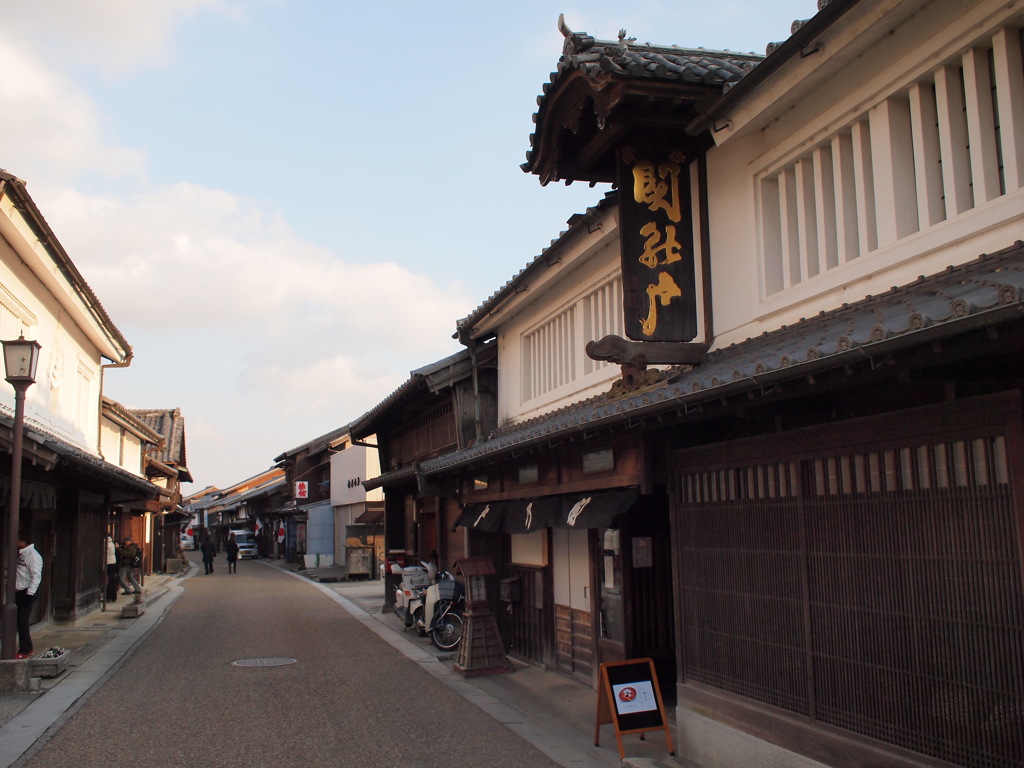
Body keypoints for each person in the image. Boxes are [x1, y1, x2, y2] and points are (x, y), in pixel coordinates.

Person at [15, 535, 43, 659]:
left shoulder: (32, 555)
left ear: (23, 541)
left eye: (18, 539)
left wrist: (30, 593)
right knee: (20, 621)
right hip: (20, 590)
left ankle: (25, 650)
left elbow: (36, 576)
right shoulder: (22, 554)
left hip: (27, 591)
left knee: (22, 621)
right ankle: (28, 648)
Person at [105, 535, 119, 602]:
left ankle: (109, 596)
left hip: (108, 563)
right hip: (113, 563)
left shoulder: (107, 545)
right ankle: (113, 596)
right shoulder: (112, 544)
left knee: (108, 581)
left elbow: (105, 555)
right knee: (112, 580)